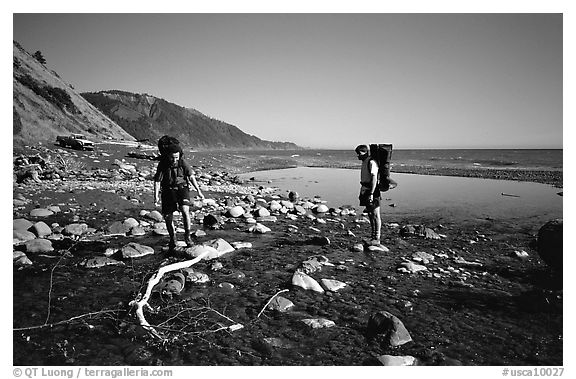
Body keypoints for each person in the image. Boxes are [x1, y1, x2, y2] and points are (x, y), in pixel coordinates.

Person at [153, 144, 204, 251]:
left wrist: (198, 191)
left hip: (182, 188)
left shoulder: (183, 162)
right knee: (168, 216)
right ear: (168, 156)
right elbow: (157, 181)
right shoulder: (163, 164)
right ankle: (173, 238)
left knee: (185, 210)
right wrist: (156, 196)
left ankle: (187, 236)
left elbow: (191, 176)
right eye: (172, 157)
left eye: (176, 157)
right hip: (167, 190)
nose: (174, 160)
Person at [355, 144, 382, 245]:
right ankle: (373, 237)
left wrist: (371, 193)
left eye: (359, 153)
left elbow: (374, 178)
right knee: (370, 214)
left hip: (372, 190)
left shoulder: (371, 162)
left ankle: (377, 238)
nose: (358, 156)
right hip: (365, 189)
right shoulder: (365, 162)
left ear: (365, 152)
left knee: (375, 214)